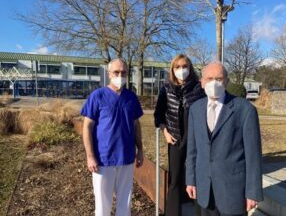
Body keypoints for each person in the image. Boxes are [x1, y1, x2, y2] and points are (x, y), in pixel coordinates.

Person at [186, 61, 263, 216]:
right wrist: (190, 179)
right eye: (209, 78)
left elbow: (253, 155)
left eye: (219, 79)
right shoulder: (195, 109)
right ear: (202, 82)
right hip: (204, 189)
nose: (214, 83)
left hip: (233, 192)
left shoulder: (245, 110)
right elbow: (192, 149)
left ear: (227, 81)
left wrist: (253, 192)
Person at [81, 58, 144, 216]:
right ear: (109, 74)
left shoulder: (131, 98)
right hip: (103, 158)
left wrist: (140, 149)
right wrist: (90, 156)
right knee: (103, 206)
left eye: (123, 72)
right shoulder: (98, 96)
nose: (120, 75)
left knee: (125, 203)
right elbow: (87, 126)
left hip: (127, 157)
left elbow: (136, 125)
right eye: (116, 72)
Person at [154, 54, 205, 216]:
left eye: (185, 66)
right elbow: (158, 115)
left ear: (190, 68)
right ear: (172, 69)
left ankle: (199, 211)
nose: (181, 70)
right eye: (178, 67)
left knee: (196, 176)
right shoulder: (166, 89)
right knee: (175, 178)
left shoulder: (199, 89)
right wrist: (165, 132)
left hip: (196, 140)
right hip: (175, 139)